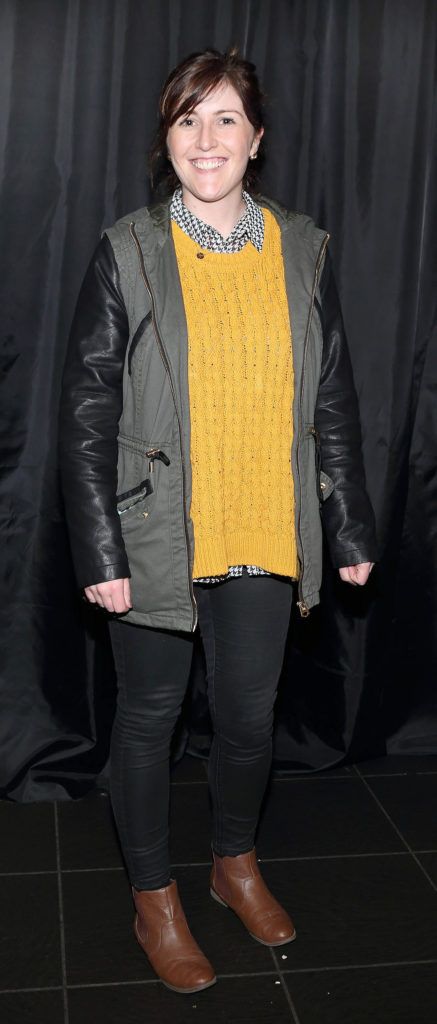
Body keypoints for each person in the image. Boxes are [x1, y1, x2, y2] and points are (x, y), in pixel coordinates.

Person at [59, 48, 377, 995]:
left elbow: (333, 399)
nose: (208, 138)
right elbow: (84, 407)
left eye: (226, 118)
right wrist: (99, 545)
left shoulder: (301, 247)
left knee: (247, 719)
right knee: (149, 723)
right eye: (188, 119)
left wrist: (349, 526)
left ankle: (231, 863)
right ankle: (153, 894)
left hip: (267, 528)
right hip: (156, 531)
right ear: (167, 139)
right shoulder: (128, 249)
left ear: (257, 139)